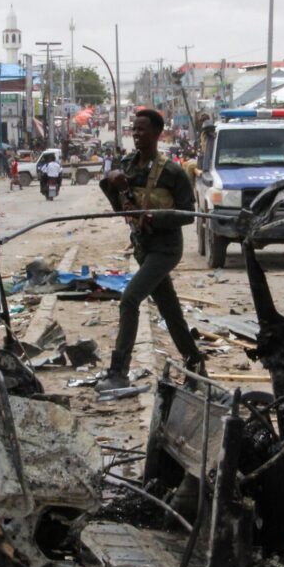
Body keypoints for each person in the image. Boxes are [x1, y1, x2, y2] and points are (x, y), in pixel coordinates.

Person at [96, 109, 205, 392]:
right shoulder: (128, 165)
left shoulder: (172, 172)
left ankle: (118, 371)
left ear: (158, 134)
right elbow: (117, 205)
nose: (136, 134)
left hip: (166, 248)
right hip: (143, 248)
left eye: (143, 129)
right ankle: (196, 364)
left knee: (129, 299)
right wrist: (114, 182)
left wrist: (153, 216)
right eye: (134, 129)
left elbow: (187, 214)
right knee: (170, 310)